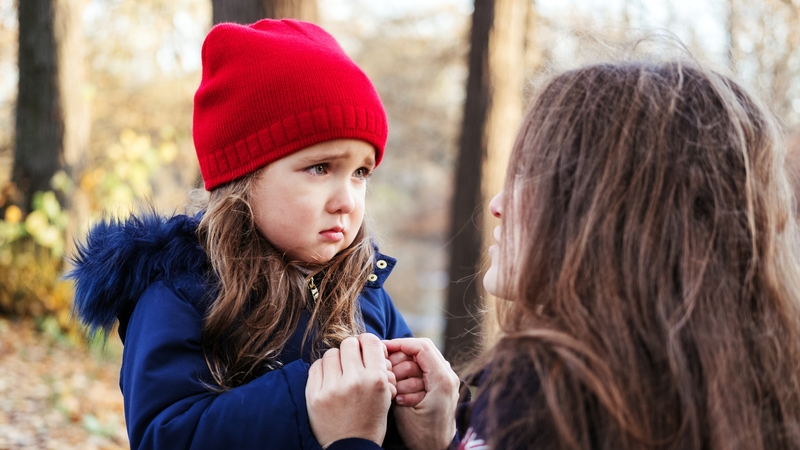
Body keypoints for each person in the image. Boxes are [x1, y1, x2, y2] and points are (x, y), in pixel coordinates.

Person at [68, 19, 423, 449]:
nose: (346, 199)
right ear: (244, 177)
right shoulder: (181, 297)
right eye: (320, 168)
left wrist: (429, 420)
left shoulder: (365, 294)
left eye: (360, 173)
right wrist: (307, 405)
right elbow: (167, 435)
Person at [460, 57, 800, 449]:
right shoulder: (756, 390)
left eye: (530, 174)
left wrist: (369, 438)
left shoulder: (549, 391)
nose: (497, 204)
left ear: (611, 216)